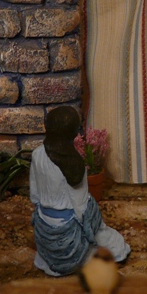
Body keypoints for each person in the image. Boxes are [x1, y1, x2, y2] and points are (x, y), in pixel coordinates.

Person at [30, 106, 130, 276]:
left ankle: (51, 257)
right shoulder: (75, 165)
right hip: (69, 234)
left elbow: (34, 195)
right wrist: (93, 221)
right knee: (113, 242)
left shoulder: (37, 154)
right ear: (73, 134)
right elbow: (81, 208)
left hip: (45, 230)